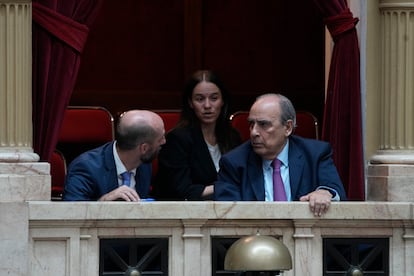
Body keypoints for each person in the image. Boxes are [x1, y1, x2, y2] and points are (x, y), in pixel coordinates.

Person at [214, 93, 346, 216]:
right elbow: (227, 214)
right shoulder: (233, 163)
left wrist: (324, 192)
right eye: (251, 124)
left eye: (263, 124)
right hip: (255, 238)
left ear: (288, 127)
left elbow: (335, 190)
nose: (254, 132)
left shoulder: (315, 154)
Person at [151, 70, 242, 200]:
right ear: (190, 103)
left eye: (214, 98)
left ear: (222, 101)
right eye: (200, 99)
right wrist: (223, 187)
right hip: (186, 213)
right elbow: (180, 190)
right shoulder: (177, 139)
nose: (207, 105)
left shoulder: (232, 137)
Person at [63, 110, 166, 201]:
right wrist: (104, 202)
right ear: (144, 148)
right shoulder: (86, 167)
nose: (164, 141)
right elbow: (70, 214)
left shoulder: (143, 163)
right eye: (160, 138)